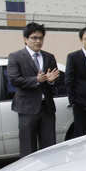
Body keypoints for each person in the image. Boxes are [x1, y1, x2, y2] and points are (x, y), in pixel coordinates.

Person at [8, 22, 60, 157]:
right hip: (27, 109)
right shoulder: (16, 57)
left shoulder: (49, 57)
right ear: (25, 39)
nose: (38, 41)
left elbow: (55, 80)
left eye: (41, 38)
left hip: (47, 108)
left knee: (49, 147)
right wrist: (36, 80)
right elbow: (14, 80)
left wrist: (52, 80)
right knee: (28, 148)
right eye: (34, 38)